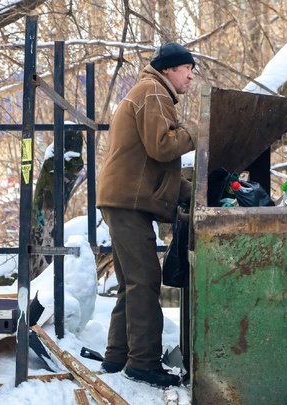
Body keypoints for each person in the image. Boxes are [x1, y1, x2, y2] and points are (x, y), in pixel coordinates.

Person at [95, 42, 197, 388]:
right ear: (169, 68)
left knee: (131, 282)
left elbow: (153, 160)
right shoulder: (154, 92)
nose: (190, 76)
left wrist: (188, 191)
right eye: (187, 69)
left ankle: (118, 354)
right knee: (144, 281)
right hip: (129, 202)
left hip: (124, 199)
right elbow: (163, 146)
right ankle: (143, 363)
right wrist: (195, 131)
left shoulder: (150, 91)